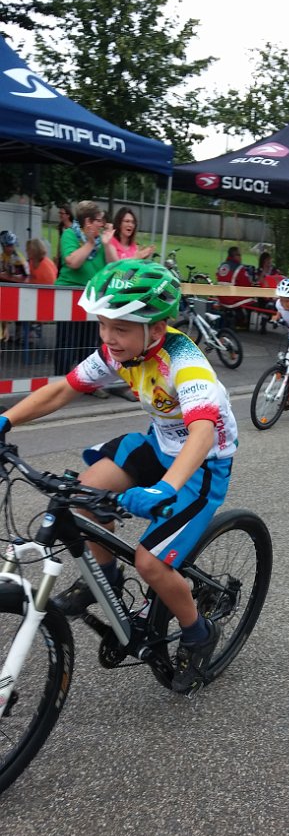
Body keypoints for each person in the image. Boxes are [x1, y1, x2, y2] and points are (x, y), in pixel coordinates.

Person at [0, 259, 238, 695]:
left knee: (150, 561)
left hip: (201, 462)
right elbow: (63, 389)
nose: (108, 338)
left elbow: (202, 432)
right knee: (82, 495)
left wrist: (166, 488)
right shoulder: (121, 351)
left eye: (121, 329)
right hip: (160, 442)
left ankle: (198, 632)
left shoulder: (185, 363)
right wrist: (5, 421)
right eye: (103, 325)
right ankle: (105, 580)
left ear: (156, 329)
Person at [54, 200, 118, 378]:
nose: (102, 224)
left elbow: (115, 265)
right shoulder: (69, 235)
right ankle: (61, 381)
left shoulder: (101, 240)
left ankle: (87, 382)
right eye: (98, 220)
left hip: (93, 297)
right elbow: (73, 262)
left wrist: (106, 244)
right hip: (69, 296)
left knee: (89, 342)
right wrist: (90, 243)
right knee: (67, 342)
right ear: (88, 222)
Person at [215, 245, 254, 325]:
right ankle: (243, 320)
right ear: (234, 256)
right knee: (253, 298)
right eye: (239, 255)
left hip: (220, 298)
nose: (241, 257)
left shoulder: (221, 265)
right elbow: (247, 285)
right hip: (231, 299)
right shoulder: (239, 268)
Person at [55, 204, 74, 272]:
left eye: (62, 213)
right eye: (59, 213)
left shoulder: (73, 228)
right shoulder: (61, 227)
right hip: (61, 256)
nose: (60, 215)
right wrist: (57, 255)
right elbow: (59, 242)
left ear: (68, 215)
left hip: (69, 254)